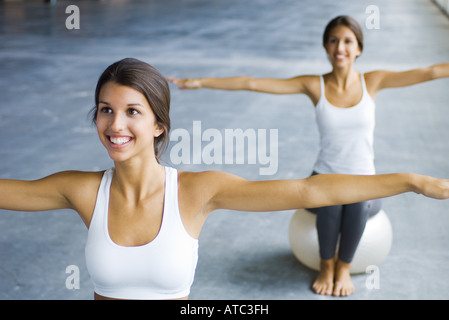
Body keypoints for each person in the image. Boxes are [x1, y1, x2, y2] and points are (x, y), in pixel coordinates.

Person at [1, 58, 448, 301]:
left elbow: (309, 190)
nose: (116, 124)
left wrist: (410, 181)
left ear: (159, 125)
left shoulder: (196, 191)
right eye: (106, 109)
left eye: (132, 111)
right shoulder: (81, 190)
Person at [167, 15, 449, 297]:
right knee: (331, 199)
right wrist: (200, 82)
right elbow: (253, 83)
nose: (340, 47)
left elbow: (430, 72)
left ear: (359, 48)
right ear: (326, 47)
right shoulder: (315, 85)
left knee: (357, 202)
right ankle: (326, 266)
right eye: (333, 40)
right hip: (324, 175)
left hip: (366, 182)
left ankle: (344, 268)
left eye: (348, 41)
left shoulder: (373, 81)